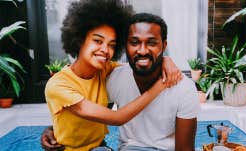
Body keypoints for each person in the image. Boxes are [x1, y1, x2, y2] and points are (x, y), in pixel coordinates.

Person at [42, 13, 199, 151]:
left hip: (100, 146)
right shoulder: (60, 84)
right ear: (79, 40)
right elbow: (116, 118)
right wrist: (161, 84)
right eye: (97, 41)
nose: (105, 50)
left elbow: (142, 62)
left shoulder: (104, 71)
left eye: (111, 45)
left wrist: (165, 59)